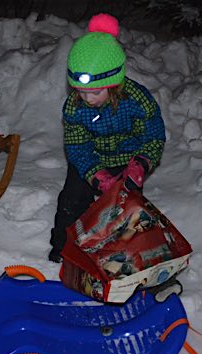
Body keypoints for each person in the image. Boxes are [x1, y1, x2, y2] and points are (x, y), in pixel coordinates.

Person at [49, 13, 166, 263]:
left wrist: (142, 162)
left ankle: (119, 255)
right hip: (91, 161)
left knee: (127, 211)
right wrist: (96, 174)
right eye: (80, 91)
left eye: (95, 92)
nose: (87, 99)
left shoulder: (137, 100)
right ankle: (63, 249)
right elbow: (77, 148)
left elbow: (153, 134)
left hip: (129, 162)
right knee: (71, 200)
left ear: (114, 82)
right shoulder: (74, 107)